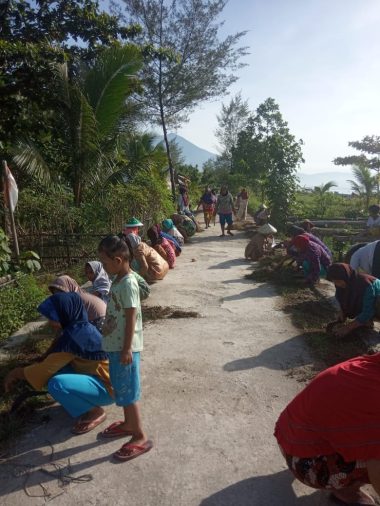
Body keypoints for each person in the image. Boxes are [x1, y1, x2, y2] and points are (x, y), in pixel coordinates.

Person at [274, 352, 380, 505]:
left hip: (290, 435)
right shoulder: (374, 393)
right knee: (373, 457)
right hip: (304, 462)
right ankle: (346, 493)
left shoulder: (371, 366)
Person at [4, 292, 113, 434]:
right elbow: (51, 362)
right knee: (55, 371)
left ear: (66, 313)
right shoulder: (82, 328)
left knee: (56, 384)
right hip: (107, 380)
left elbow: (44, 369)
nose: (50, 323)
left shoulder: (73, 338)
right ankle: (83, 400)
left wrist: (16, 373)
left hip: (109, 389)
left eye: (53, 318)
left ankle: (95, 412)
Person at [98, 235, 152, 461]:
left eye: (105, 262)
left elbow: (131, 316)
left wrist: (127, 348)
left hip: (124, 348)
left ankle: (139, 435)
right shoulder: (119, 278)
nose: (103, 267)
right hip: (117, 346)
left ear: (118, 260)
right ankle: (129, 424)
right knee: (122, 387)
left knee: (128, 391)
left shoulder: (128, 282)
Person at [326, 263, 380, 337]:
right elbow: (342, 299)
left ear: (345, 276)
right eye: (334, 281)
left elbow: (368, 310)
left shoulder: (365, 284)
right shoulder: (343, 283)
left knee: (376, 302)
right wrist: (342, 312)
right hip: (371, 301)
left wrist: (348, 328)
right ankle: (366, 321)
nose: (336, 284)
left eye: (338, 281)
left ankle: (367, 320)